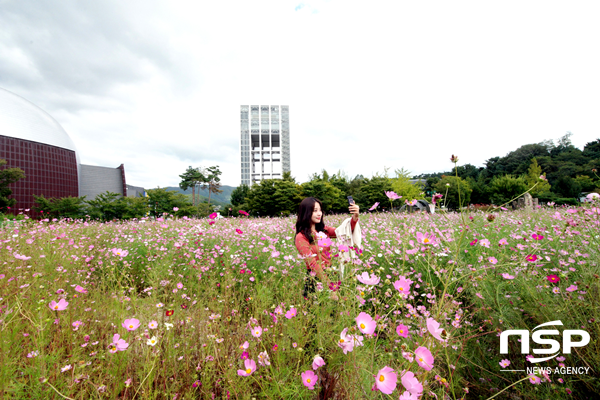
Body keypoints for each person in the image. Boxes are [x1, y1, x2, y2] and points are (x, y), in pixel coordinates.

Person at [295, 197, 360, 298]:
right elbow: (312, 263)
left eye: (320, 210)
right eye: (315, 210)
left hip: (330, 273)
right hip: (315, 278)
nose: (319, 213)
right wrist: (330, 285)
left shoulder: (323, 230)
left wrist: (355, 217)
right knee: (316, 310)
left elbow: (343, 232)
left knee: (335, 311)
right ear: (306, 212)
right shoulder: (301, 237)